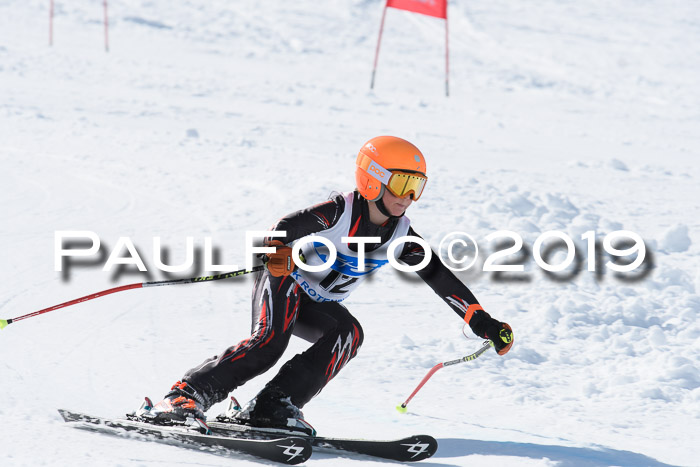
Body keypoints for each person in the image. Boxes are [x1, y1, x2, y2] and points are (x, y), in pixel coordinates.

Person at [149, 136, 513, 434]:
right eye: (401, 182)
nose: (407, 195)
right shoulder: (339, 212)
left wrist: (481, 321)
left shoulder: (401, 234)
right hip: (284, 280)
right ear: (374, 178)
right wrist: (276, 252)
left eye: (417, 186)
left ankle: (272, 404)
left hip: (317, 300)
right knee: (270, 343)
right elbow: (280, 231)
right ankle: (186, 395)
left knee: (349, 333)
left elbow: (437, 275)